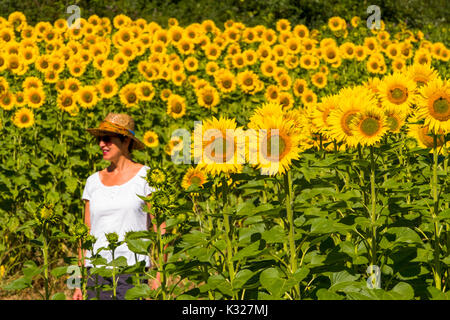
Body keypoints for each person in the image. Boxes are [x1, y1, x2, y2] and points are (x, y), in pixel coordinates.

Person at [72, 113, 165, 300]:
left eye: (107, 139)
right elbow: (85, 233)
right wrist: (76, 281)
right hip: (95, 271)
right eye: (99, 139)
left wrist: (160, 276)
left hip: (131, 271)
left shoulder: (146, 177)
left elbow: (160, 228)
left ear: (126, 141)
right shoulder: (92, 182)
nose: (101, 144)